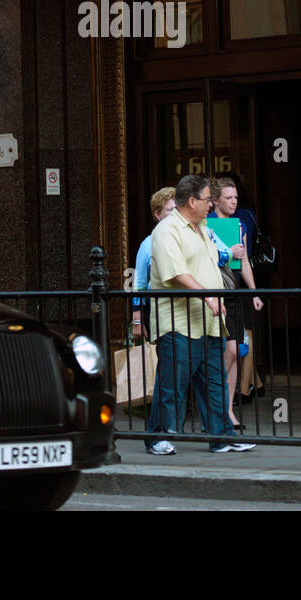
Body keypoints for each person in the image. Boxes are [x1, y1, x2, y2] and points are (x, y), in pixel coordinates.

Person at [148, 175, 255, 454]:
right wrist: (208, 294)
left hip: (208, 321)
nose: (211, 204)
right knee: (172, 382)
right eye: (207, 199)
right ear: (192, 200)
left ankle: (222, 436)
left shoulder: (203, 226)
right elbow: (177, 272)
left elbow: (218, 260)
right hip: (178, 322)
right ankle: (159, 436)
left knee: (214, 381)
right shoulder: (167, 230)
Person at [210, 177, 264, 429]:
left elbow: (244, 262)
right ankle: (215, 405)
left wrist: (254, 292)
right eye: (228, 198)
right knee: (227, 351)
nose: (234, 202)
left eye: (235, 198)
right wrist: (228, 252)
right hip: (212, 293)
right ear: (215, 200)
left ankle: (227, 410)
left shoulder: (239, 224)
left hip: (233, 291)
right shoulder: (205, 224)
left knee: (235, 349)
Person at [132, 187, 176, 452]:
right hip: (159, 310)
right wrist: (137, 318)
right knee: (167, 374)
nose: (174, 216)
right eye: (170, 211)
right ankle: (158, 432)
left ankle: (221, 432)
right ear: (158, 215)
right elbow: (139, 281)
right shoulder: (149, 243)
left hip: (185, 314)